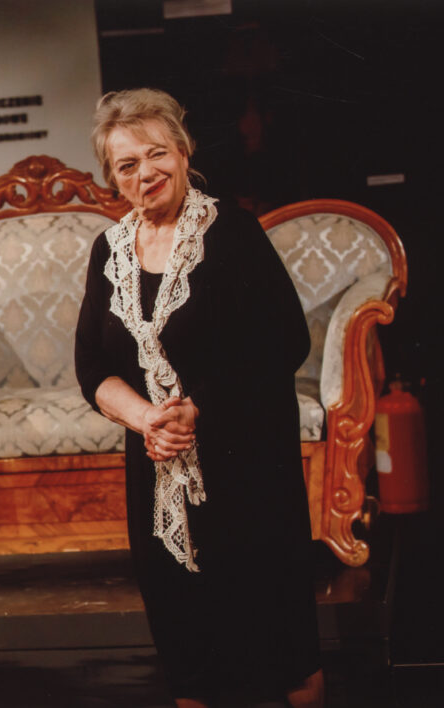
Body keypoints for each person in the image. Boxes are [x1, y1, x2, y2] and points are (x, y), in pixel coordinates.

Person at [75, 88, 324, 707]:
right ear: (112, 178)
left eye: (156, 153)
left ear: (184, 153)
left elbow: (285, 341)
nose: (145, 172)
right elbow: (91, 367)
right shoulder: (108, 250)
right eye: (127, 164)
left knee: (279, 641)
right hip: (157, 462)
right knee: (186, 642)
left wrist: (199, 406)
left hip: (245, 461)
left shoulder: (231, 231)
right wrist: (147, 419)